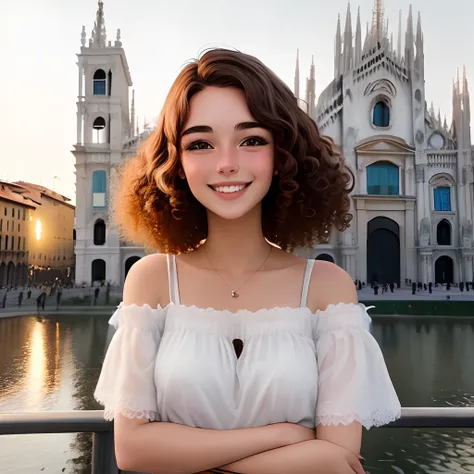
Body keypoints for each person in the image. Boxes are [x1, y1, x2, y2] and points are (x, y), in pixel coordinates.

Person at [94, 49, 401, 474]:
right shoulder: (152, 281)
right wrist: (283, 436)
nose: (226, 164)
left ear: (282, 156)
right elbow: (134, 451)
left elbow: (336, 461)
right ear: (177, 164)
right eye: (200, 143)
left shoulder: (328, 288)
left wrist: (186, 455)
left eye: (251, 139)